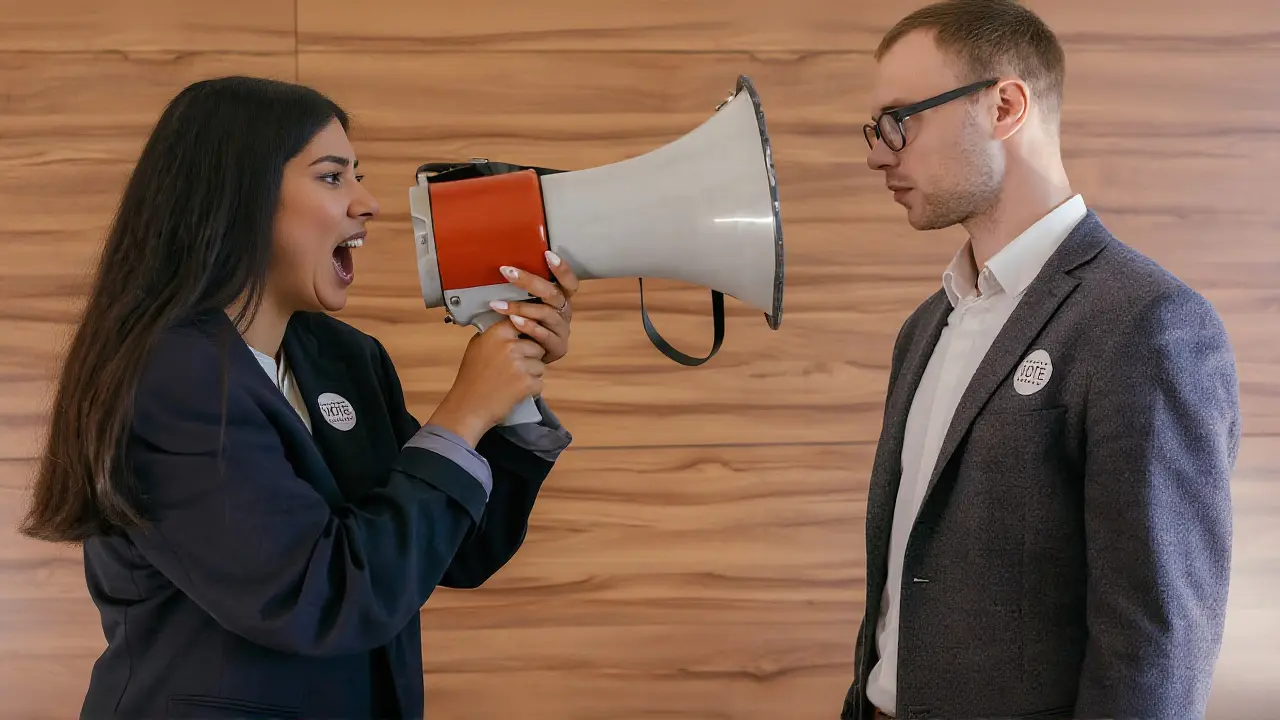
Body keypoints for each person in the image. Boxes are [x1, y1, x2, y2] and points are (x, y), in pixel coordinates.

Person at [18, 76, 578, 719]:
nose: (367, 203)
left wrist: (510, 390)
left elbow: (455, 549)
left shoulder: (346, 357)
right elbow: (324, 596)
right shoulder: (169, 376)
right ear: (239, 196)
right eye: (333, 177)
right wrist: (464, 411)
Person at [843, 2, 1240, 719]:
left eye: (901, 121)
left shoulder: (1149, 324)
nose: (879, 153)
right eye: (876, 129)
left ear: (1004, 105)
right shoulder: (924, 327)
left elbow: (1157, 643)